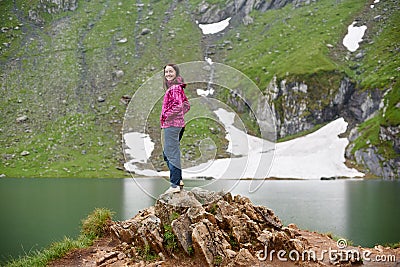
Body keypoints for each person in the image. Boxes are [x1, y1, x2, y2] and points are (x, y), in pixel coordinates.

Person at [160, 64, 190, 194]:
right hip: (176, 125)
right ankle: (179, 180)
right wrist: (178, 115)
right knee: (169, 154)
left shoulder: (175, 88)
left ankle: (175, 185)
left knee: (171, 154)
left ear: (176, 73)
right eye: (166, 72)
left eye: (170, 71)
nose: (168, 74)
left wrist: (167, 115)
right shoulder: (176, 88)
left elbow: (179, 106)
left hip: (172, 125)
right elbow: (186, 105)